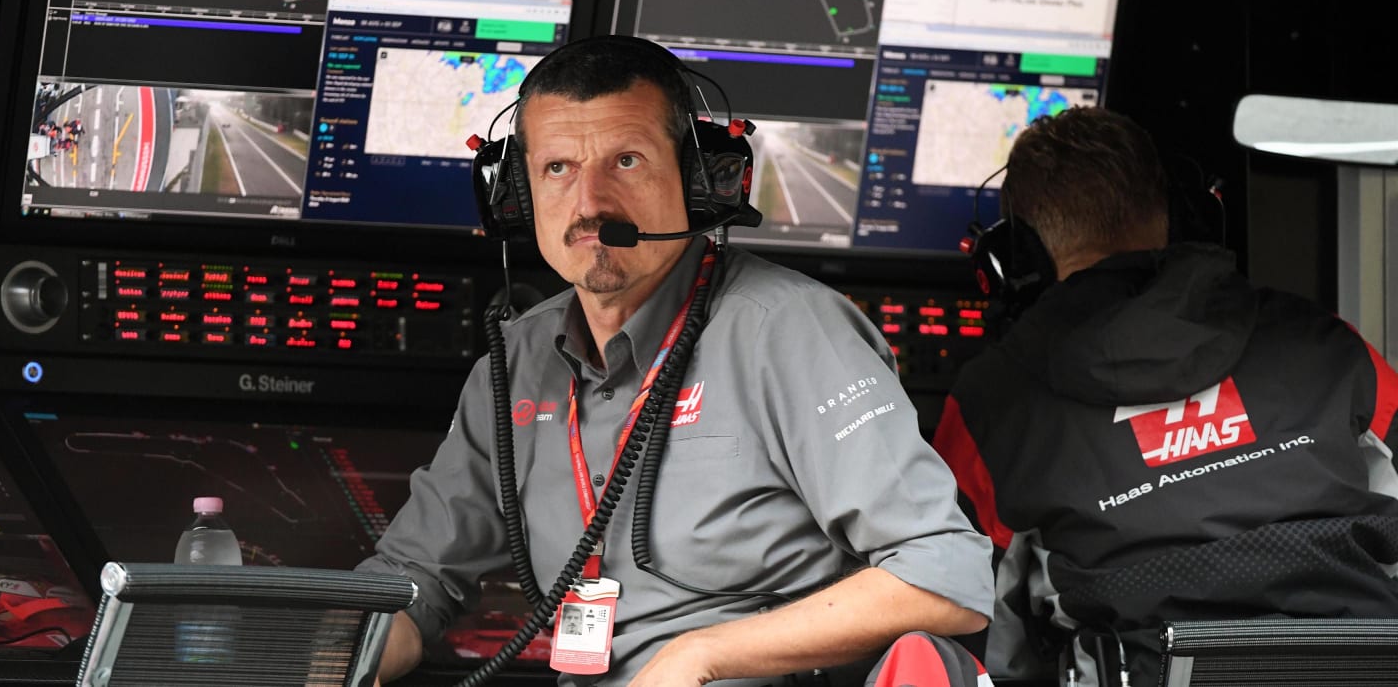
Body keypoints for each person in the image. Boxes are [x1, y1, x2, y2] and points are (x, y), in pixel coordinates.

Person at [359, 36, 993, 686]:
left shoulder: (788, 331)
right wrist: (337, 660)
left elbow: (943, 574)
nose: (589, 204)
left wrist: (703, 654)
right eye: (557, 169)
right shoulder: (517, 361)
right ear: (513, 194)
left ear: (697, 180)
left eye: (625, 161)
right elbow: (413, 581)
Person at [935, 106, 1398, 686]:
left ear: (1014, 259)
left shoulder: (992, 403)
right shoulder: (1324, 340)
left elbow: (964, 611)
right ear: (1185, 216)